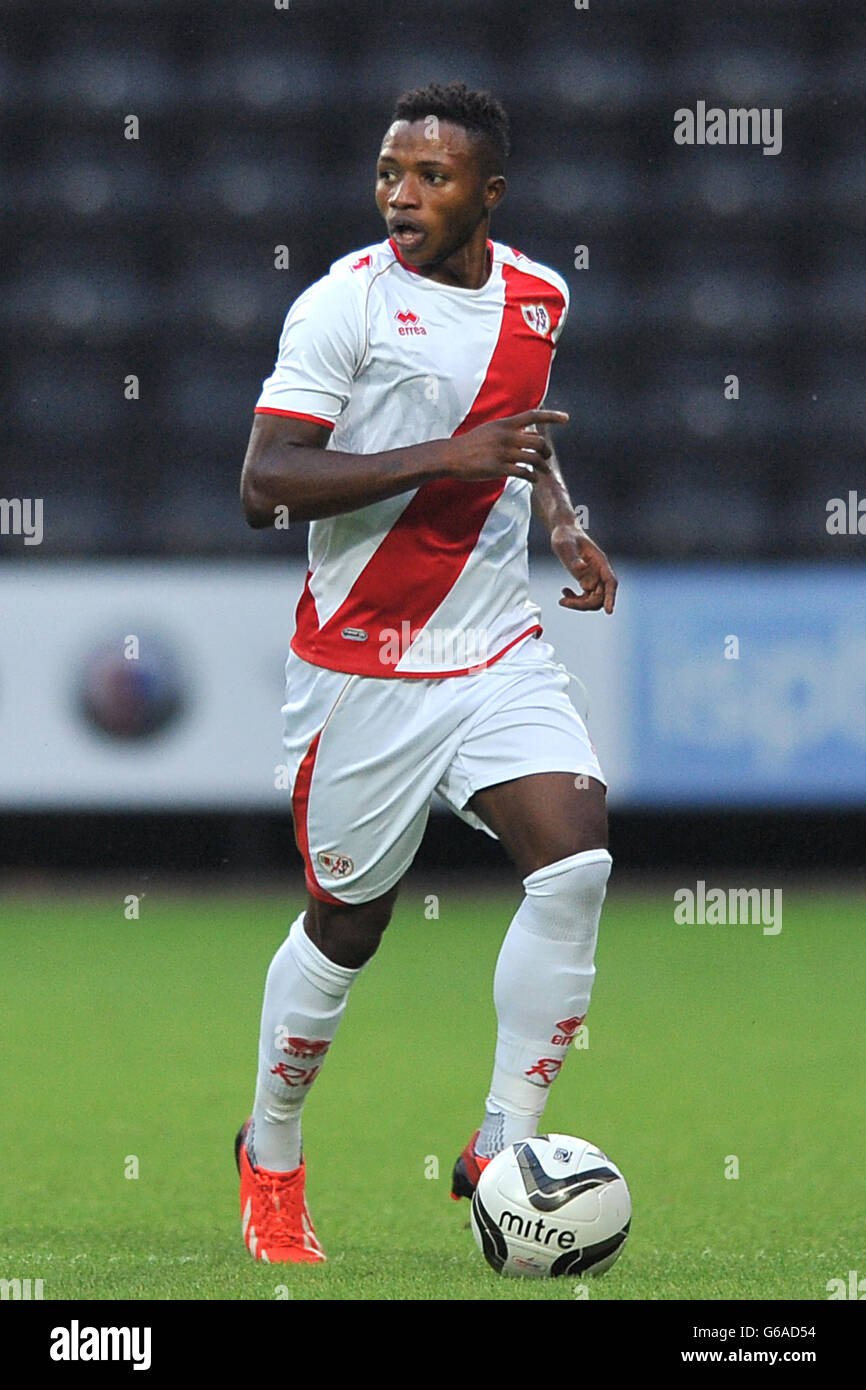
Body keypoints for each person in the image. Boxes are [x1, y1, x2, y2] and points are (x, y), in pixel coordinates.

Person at [236, 79, 617, 1263]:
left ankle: (503, 1142)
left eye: (431, 177)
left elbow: (522, 433)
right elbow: (264, 484)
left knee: (575, 858)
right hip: (363, 665)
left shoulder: (540, 297)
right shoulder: (340, 307)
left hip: (493, 642)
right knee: (348, 925)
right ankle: (274, 1151)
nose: (401, 196)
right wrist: (442, 455)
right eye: (390, 174)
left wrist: (559, 518)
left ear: (486, 194)